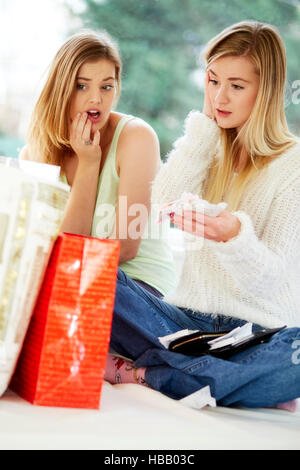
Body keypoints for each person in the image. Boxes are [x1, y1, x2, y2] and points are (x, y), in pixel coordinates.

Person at [104, 21, 300, 411]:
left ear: (267, 92)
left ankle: (147, 374)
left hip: (254, 334)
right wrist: (203, 133)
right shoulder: (209, 147)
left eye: (236, 86)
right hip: (184, 327)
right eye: (212, 81)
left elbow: (271, 279)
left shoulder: (293, 165)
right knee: (95, 273)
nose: (219, 96)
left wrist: (233, 236)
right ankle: (220, 379)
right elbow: (161, 201)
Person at [19, 30, 176, 298]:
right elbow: (63, 246)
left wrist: (90, 163)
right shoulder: (36, 154)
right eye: (82, 86)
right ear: (61, 90)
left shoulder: (137, 137)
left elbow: (124, 247)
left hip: (136, 287)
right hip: (72, 287)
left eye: (106, 86)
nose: (96, 99)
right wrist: (88, 165)